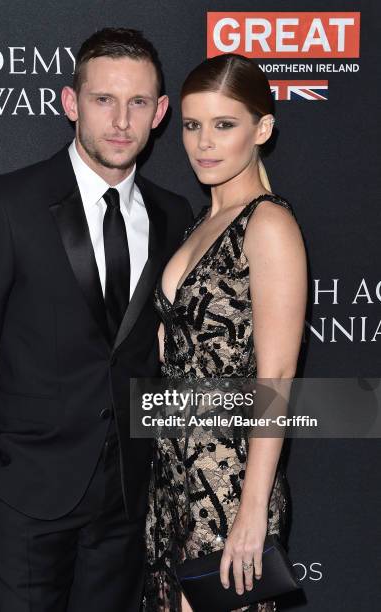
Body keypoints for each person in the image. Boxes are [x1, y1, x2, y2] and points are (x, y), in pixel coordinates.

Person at [0, 28, 193, 612]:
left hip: (128, 498)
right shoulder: (4, 203)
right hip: (27, 493)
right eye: (104, 100)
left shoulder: (174, 214)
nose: (121, 120)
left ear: (161, 113)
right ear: (71, 103)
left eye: (139, 102)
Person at [144, 53, 307, 611]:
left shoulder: (269, 224)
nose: (203, 143)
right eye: (192, 125)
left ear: (261, 129)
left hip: (228, 480)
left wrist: (252, 510)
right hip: (173, 475)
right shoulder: (200, 222)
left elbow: (277, 374)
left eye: (224, 124)